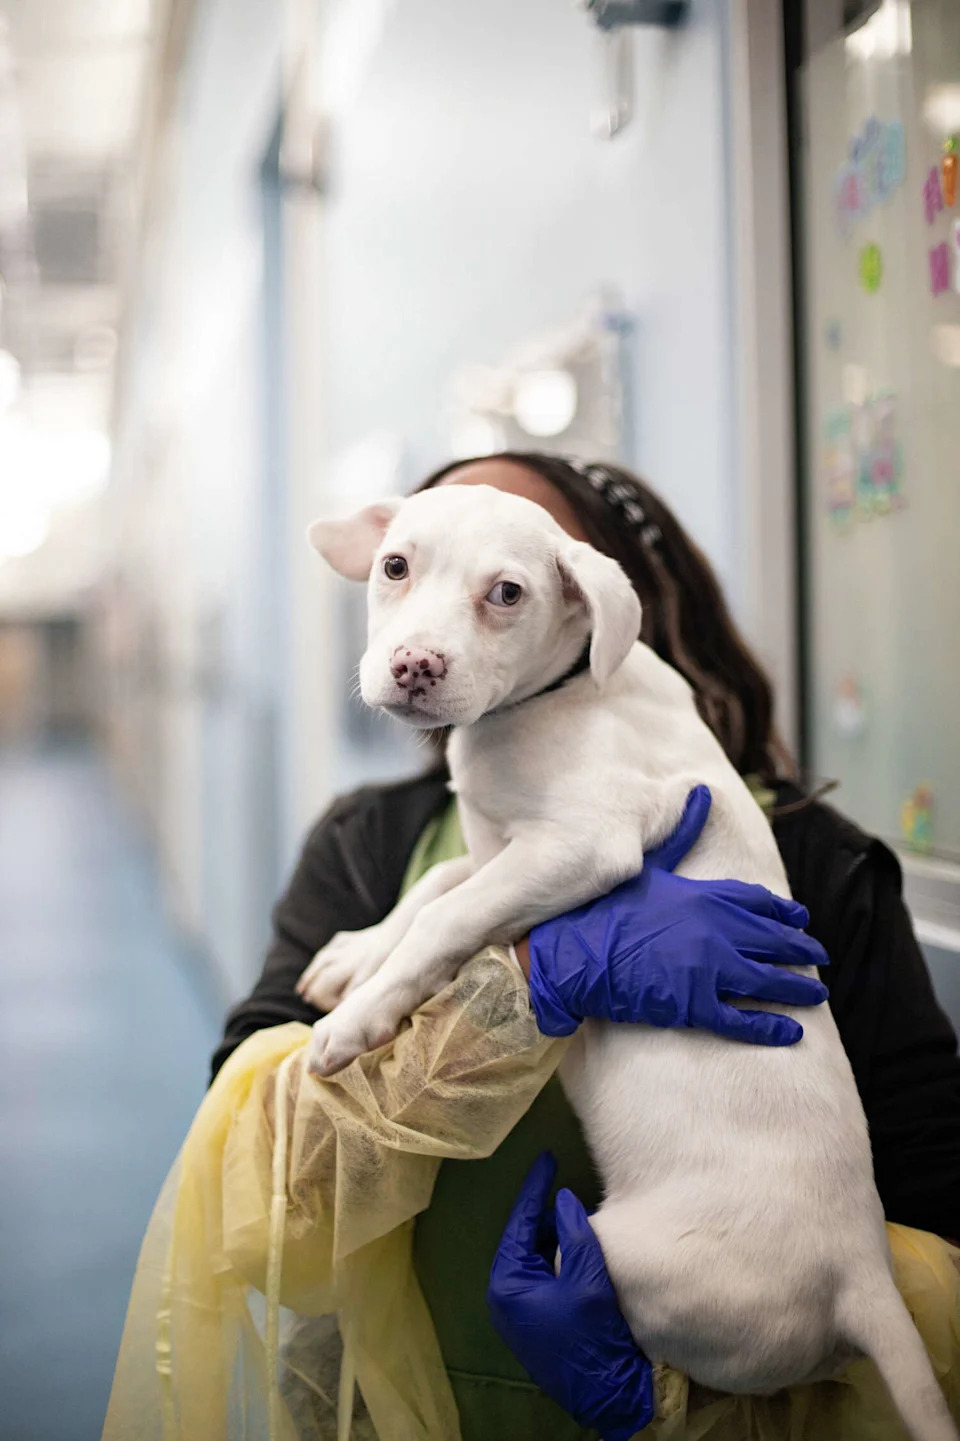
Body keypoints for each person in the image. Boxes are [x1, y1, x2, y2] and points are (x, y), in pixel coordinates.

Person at [211, 452, 960, 1440]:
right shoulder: (369, 845)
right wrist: (531, 974)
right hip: (401, 1407)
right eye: (404, 569)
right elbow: (245, 1143)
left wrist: (653, 1406)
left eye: (503, 592)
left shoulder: (819, 867)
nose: (428, 635)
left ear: (591, 611)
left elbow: (935, 1190)